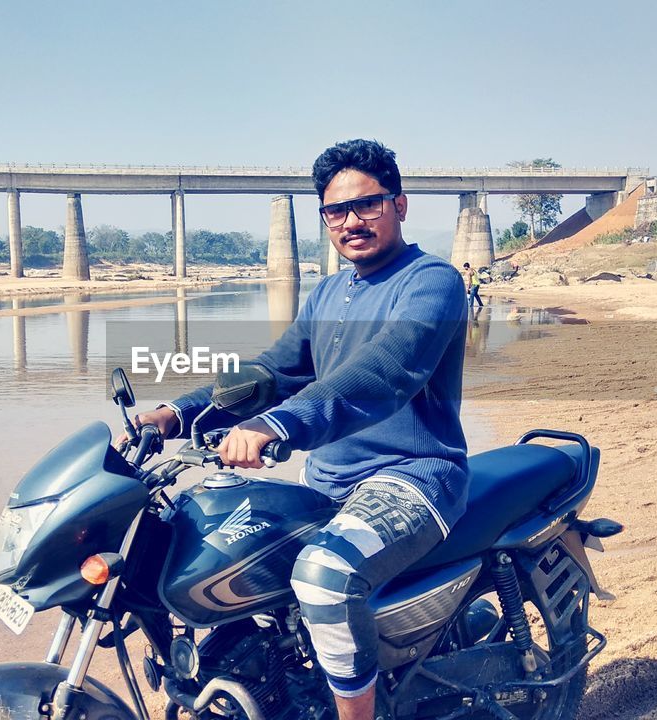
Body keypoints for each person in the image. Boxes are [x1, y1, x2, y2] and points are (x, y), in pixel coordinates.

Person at [126, 139, 469, 720]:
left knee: (324, 576)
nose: (351, 222)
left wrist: (276, 425)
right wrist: (177, 415)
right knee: (208, 540)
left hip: (414, 478)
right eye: (335, 211)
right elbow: (274, 372)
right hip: (329, 481)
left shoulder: (431, 281)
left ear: (401, 205)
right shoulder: (331, 291)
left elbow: (387, 369)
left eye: (367, 205)